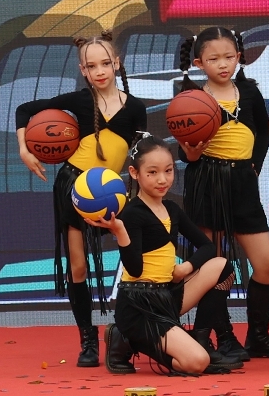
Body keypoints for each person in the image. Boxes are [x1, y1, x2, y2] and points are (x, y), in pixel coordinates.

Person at [15, 32, 146, 368]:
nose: (99, 71)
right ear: (83, 70)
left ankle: (134, 332)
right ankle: (87, 339)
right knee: (78, 267)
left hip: (113, 194)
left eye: (105, 63)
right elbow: (24, 110)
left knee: (135, 259)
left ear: (116, 63)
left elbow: (141, 153)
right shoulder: (80, 100)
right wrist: (25, 150)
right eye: (91, 66)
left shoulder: (136, 108)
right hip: (73, 187)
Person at [175, 27, 269, 359]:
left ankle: (258, 336)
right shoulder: (191, 96)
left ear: (239, 56)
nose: (223, 64)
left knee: (266, 264)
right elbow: (184, 152)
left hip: (243, 184)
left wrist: (254, 167)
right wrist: (192, 153)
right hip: (208, 182)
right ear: (199, 62)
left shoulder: (248, 91)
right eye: (213, 59)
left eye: (229, 57)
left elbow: (263, 132)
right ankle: (222, 337)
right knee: (216, 266)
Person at [94, 136, 241, 375]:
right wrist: (120, 232)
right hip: (139, 305)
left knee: (223, 266)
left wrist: (185, 268)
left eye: (169, 170)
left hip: (168, 297)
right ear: (134, 173)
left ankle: (200, 337)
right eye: (152, 172)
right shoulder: (132, 213)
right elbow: (135, 270)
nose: (163, 179)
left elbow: (207, 246)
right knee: (196, 363)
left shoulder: (172, 209)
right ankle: (126, 337)